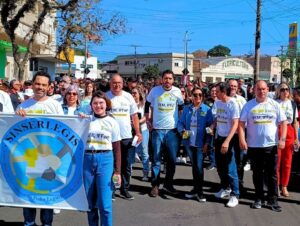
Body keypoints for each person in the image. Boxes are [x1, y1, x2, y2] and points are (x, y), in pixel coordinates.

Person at [16, 71, 64, 226]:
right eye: (37, 84)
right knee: (28, 194)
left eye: (44, 84)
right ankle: (29, 223)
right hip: (29, 159)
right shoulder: (23, 105)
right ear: (32, 84)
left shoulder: (55, 105)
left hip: (49, 159)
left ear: (49, 87)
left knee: (46, 195)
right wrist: (16, 116)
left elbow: (64, 130)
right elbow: (14, 131)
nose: (40, 87)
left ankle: (47, 224)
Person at [239, 80, 287, 212]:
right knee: (258, 174)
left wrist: (282, 138)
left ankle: (273, 200)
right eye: (259, 89)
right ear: (254, 90)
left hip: (271, 145)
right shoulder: (248, 105)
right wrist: (242, 139)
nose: (262, 91)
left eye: (264, 89)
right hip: (254, 146)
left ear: (268, 90)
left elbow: (283, 122)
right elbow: (241, 123)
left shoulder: (274, 105)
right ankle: (258, 198)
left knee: (272, 174)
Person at [83, 91, 121, 226]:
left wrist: (117, 171)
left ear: (106, 104)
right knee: (90, 202)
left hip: (105, 159)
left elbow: (117, 148)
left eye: (101, 103)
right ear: (91, 105)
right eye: (95, 103)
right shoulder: (86, 120)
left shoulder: (112, 122)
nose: (98, 106)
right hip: (87, 159)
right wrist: (79, 118)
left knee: (105, 204)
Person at [145, 69, 184, 197]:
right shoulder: (155, 91)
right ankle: (155, 185)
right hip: (157, 130)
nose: (167, 81)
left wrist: (181, 124)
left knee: (171, 160)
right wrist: (148, 119)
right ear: (162, 79)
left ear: (173, 80)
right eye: (165, 78)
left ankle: (168, 184)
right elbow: (147, 104)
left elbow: (181, 107)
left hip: (172, 131)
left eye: (170, 78)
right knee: (156, 159)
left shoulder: (177, 92)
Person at [106, 74, 142, 200]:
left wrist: (138, 132)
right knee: (112, 165)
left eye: (119, 83)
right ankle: (111, 190)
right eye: (114, 83)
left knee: (126, 165)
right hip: (110, 138)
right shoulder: (106, 97)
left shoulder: (128, 97)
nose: (117, 85)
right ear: (110, 83)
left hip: (126, 136)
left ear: (123, 84)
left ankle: (124, 189)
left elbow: (134, 116)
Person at [178, 87, 213, 202]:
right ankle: (195, 189)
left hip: (200, 144)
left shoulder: (207, 110)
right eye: (195, 95)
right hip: (189, 143)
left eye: (199, 95)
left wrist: (207, 143)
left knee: (199, 167)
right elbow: (180, 123)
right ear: (191, 96)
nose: (197, 97)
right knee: (194, 167)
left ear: (202, 97)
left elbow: (209, 128)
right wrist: (182, 131)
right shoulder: (187, 109)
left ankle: (200, 192)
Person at [212, 82, 240, 208]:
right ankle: (225, 188)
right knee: (220, 166)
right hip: (219, 138)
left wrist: (227, 141)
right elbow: (218, 118)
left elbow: (235, 124)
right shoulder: (217, 103)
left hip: (230, 139)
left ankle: (235, 194)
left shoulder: (232, 103)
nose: (215, 93)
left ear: (223, 92)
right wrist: (213, 126)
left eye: (217, 91)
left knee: (230, 167)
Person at [275, 83, 299, 197]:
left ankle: (284, 186)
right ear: (278, 91)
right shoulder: (274, 103)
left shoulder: (293, 104)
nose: (285, 91)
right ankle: (276, 185)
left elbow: (295, 122)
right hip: (276, 131)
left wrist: (296, 138)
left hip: (289, 132)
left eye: (287, 89)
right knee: (277, 161)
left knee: (287, 162)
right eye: (282, 89)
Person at [131, 87, 150, 181]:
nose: (133, 94)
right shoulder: (129, 105)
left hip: (143, 130)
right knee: (131, 152)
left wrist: (137, 121)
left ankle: (146, 173)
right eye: (132, 93)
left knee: (144, 151)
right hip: (132, 131)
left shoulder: (143, 104)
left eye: (135, 93)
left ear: (139, 94)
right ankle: (128, 172)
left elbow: (147, 116)